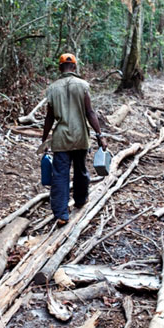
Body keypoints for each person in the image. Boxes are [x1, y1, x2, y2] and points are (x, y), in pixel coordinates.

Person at [41, 53, 107, 225]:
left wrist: (44, 138)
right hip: (80, 137)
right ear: (75, 67)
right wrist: (100, 135)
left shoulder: (52, 89)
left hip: (61, 138)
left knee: (60, 175)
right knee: (81, 170)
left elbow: (49, 117)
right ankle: (80, 199)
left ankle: (61, 214)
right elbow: (90, 112)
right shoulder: (83, 85)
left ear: (59, 67)